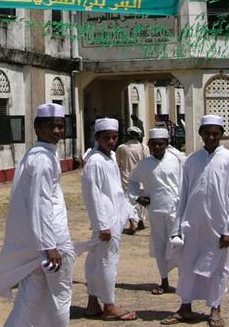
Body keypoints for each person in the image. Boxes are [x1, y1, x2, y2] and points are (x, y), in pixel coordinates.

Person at [0, 103, 74, 327]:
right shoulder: (42, 160)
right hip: (53, 242)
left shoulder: (39, 154)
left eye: (61, 126)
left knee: (30, 298)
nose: (57, 131)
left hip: (39, 244)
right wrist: (49, 246)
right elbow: (40, 203)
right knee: (60, 297)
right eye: (51, 126)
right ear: (37, 127)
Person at [162, 115, 229, 327]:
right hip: (192, 223)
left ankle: (215, 308)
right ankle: (185, 308)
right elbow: (183, 194)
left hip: (218, 225)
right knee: (187, 265)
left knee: (218, 267)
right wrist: (177, 227)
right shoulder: (192, 160)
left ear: (221, 134)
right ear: (200, 134)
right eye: (207, 133)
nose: (211, 137)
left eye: (215, 133)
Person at [80, 118, 137, 321]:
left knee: (96, 261)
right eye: (107, 138)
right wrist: (101, 225)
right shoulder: (95, 161)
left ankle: (93, 303)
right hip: (106, 222)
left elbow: (116, 191)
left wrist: (128, 213)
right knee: (107, 263)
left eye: (114, 137)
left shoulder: (110, 156)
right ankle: (109, 305)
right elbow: (92, 195)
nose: (111, 141)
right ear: (97, 138)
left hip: (113, 217)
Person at [126, 128, 185, 294]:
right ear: (149, 145)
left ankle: (183, 282)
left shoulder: (177, 160)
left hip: (176, 211)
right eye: (154, 144)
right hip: (156, 211)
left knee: (179, 246)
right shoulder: (144, 165)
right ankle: (164, 281)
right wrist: (137, 197)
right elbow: (132, 182)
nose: (157, 147)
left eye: (161, 144)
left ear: (166, 144)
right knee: (159, 246)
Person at [115, 126, 149, 235]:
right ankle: (141, 220)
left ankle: (133, 223)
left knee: (129, 201)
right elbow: (147, 162)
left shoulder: (122, 148)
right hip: (142, 178)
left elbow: (117, 163)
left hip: (127, 178)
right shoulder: (144, 148)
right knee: (141, 201)